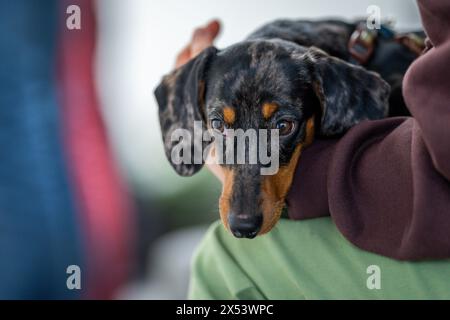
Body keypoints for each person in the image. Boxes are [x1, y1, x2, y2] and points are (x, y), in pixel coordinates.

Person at [174, 0, 450, 299]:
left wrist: (311, 179)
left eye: (281, 128)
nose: (242, 214)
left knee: (221, 258)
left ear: (328, 96)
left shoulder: (379, 97)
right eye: (221, 125)